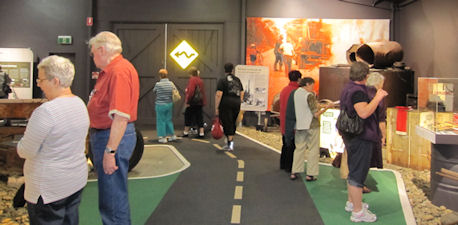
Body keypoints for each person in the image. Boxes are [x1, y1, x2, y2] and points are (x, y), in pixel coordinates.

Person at [17, 55, 89, 225]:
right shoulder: (79, 103)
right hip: (74, 181)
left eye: (41, 79)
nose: (39, 84)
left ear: (55, 81)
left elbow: (25, 150)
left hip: (49, 189)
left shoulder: (46, 112)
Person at [87, 31, 140, 225]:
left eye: (93, 53)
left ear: (102, 50)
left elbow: (120, 117)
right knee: (111, 196)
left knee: (112, 199)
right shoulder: (113, 71)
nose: (93, 57)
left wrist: (110, 151)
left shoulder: (118, 71)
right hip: (108, 136)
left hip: (111, 137)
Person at [339, 62, 387, 223]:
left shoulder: (348, 88)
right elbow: (364, 112)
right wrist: (379, 97)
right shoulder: (358, 92)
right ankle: (358, 212)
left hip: (352, 136)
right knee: (358, 175)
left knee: (354, 170)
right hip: (360, 137)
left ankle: (352, 203)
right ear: (366, 75)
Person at [289, 77, 332, 181]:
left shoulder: (296, 93)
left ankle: (295, 171)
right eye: (312, 85)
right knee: (313, 150)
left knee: (299, 148)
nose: (313, 87)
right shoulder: (310, 95)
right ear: (307, 84)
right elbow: (316, 114)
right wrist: (327, 107)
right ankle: (311, 174)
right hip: (312, 125)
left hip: (300, 125)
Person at [215, 62, 244, 151]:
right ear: (232, 70)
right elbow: (242, 91)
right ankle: (229, 139)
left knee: (227, 122)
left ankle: (230, 144)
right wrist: (240, 100)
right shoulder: (237, 80)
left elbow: (219, 94)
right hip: (236, 102)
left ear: (225, 70)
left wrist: (216, 107)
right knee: (233, 121)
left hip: (226, 103)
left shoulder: (222, 80)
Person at [279, 70, 301, 172]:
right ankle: (290, 166)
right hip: (292, 122)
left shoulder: (284, 90)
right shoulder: (297, 92)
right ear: (299, 79)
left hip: (283, 121)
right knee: (292, 145)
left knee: (285, 143)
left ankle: (283, 164)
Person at [153, 68, 177, 143]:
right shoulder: (171, 83)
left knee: (161, 121)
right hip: (169, 104)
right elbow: (174, 91)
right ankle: (172, 135)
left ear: (160, 76)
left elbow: (154, 91)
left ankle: (162, 137)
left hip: (160, 105)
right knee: (168, 120)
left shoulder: (158, 84)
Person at [183, 66, 206, 138]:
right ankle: (201, 133)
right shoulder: (200, 80)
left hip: (192, 102)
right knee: (199, 117)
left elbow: (191, 91)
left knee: (188, 116)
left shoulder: (192, 80)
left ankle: (186, 132)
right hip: (200, 102)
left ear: (191, 73)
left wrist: (187, 101)